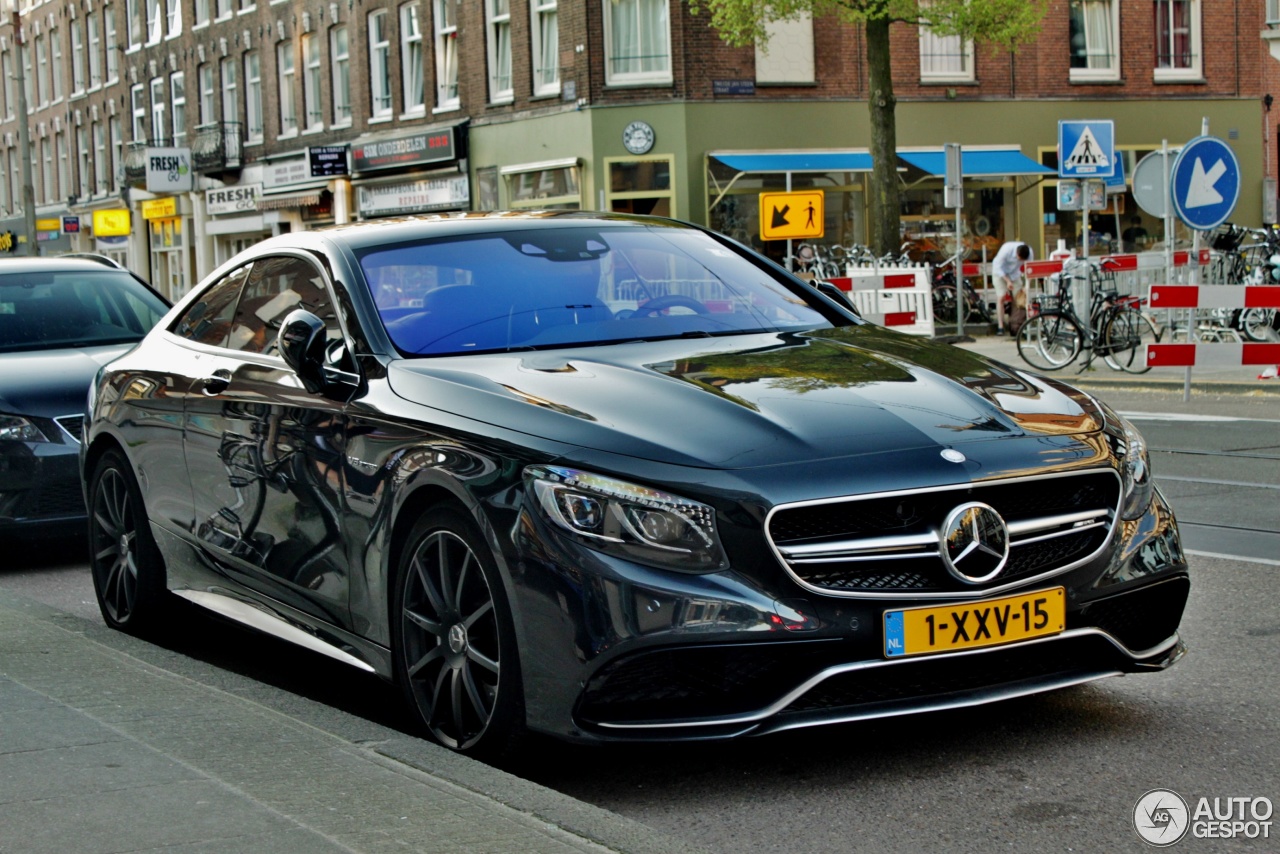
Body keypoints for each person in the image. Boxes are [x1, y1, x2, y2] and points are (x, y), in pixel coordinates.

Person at [992, 240, 1031, 336]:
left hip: (1014, 273)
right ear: (1017, 253)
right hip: (1000, 273)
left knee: (1020, 298)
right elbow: (998, 267)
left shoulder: (1029, 252)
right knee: (1001, 297)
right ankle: (1000, 326)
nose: (1021, 261)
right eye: (1019, 259)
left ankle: (1017, 325)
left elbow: (1029, 269)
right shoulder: (1006, 250)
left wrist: (1027, 285)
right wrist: (1007, 281)